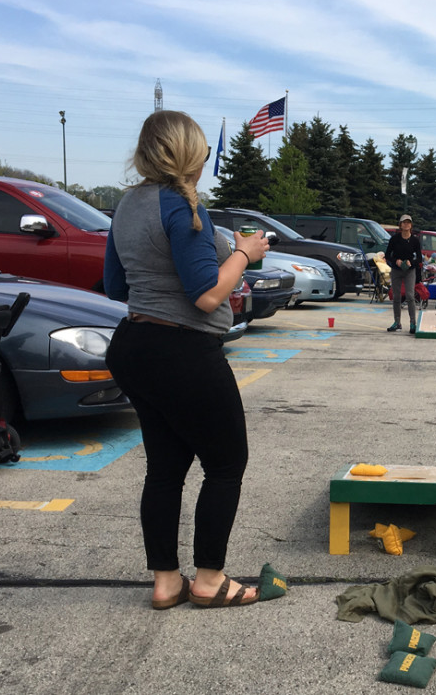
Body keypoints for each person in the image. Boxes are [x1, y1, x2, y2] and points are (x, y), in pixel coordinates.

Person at [103, 110, 270, 610]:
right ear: (190, 155)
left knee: (166, 467)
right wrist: (244, 253)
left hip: (134, 345)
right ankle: (210, 580)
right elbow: (206, 296)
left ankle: (166, 581)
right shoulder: (183, 206)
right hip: (183, 351)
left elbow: (116, 286)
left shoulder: (128, 204)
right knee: (225, 464)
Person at [384, 214, 423, 333]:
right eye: (404, 222)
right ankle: (397, 322)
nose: (406, 224)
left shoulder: (415, 240)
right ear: (400, 225)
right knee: (396, 296)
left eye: (408, 222)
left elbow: (420, 258)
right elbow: (387, 255)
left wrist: (411, 262)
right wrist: (396, 261)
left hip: (409, 271)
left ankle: (413, 323)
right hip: (396, 270)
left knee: (410, 296)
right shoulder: (394, 239)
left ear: (411, 225)